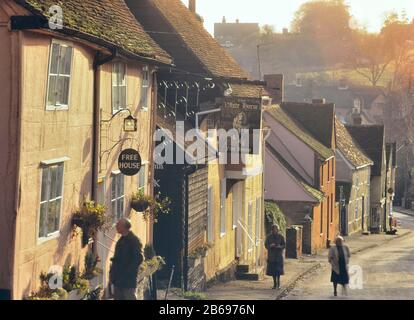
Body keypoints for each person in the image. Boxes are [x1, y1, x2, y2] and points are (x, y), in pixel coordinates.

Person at [109, 218, 144, 300]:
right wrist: (111, 273)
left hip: (128, 280)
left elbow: (138, 258)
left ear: (124, 227)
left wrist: (128, 272)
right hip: (118, 279)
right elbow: (116, 259)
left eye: (118, 225)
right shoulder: (120, 241)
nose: (116, 226)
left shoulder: (134, 240)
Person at [265, 224, 286, 289]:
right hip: (272, 256)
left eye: (276, 229)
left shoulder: (281, 237)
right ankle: (274, 284)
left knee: (278, 271)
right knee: (273, 271)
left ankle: (278, 284)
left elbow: (284, 245)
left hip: (279, 256)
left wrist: (280, 247)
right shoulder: (269, 237)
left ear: (278, 230)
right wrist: (270, 246)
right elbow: (266, 245)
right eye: (273, 229)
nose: (274, 230)